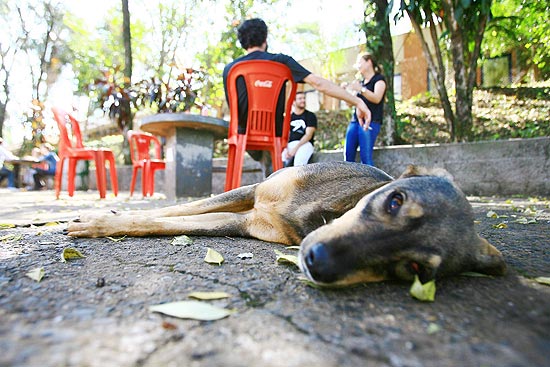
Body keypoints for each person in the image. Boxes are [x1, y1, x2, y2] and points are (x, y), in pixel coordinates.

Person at [223, 18, 371, 177]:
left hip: (243, 135)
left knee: (259, 148)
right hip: (275, 134)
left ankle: (267, 178)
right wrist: (357, 101)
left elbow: (235, 107)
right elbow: (318, 83)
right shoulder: (281, 62)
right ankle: (274, 185)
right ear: (265, 40)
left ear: (243, 42)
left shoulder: (230, 69)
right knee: (271, 144)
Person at [344, 52, 386, 166]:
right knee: (348, 157)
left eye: (359, 62)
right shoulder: (360, 83)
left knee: (365, 158)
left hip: (371, 122)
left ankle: (371, 183)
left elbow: (377, 98)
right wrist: (344, 92)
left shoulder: (379, 80)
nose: (358, 65)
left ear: (369, 62)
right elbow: (349, 103)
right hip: (355, 122)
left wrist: (361, 89)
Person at [282, 91, 317, 167]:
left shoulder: (310, 116)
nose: (303, 100)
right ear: (294, 102)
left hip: (305, 144)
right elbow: (285, 135)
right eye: (300, 99)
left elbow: (308, 135)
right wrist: (286, 149)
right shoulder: (288, 117)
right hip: (290, 144)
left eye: (304, 98)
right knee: (281, 162)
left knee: (298, 165)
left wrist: (295, 149)